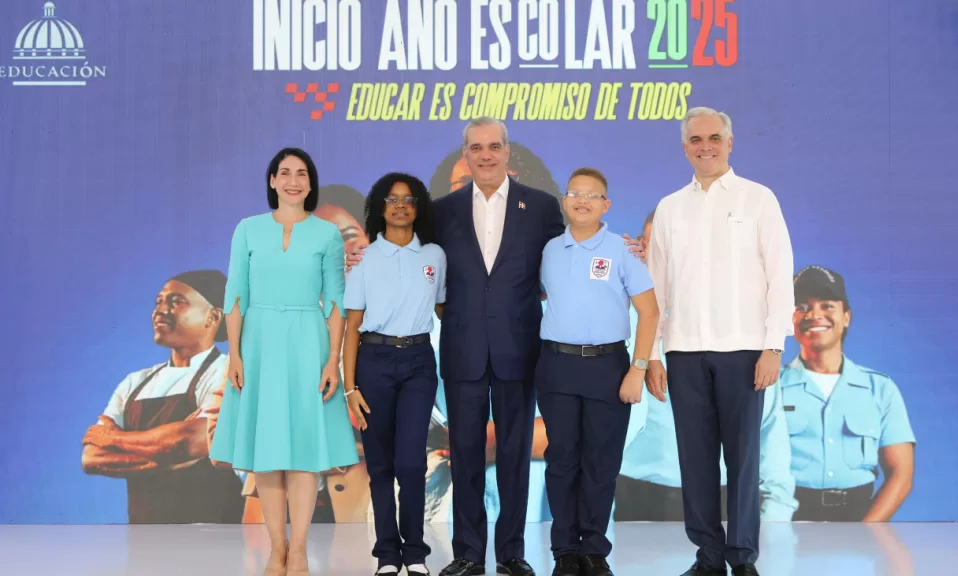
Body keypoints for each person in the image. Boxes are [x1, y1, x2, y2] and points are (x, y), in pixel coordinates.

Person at [346, 117, 644, 576]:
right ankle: (468, 553)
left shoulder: (541, 207)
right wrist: (357, 254)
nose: (485, 155)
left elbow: (570, 255)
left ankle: (511, 553)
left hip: (520, 350)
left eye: (493, 146)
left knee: (513, 456)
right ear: (466, 153)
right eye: (476, 147)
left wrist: (628, 251)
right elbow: (410, 257)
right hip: (462, 349)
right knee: (466, 454)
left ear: (507, 152)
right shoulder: (442, 211)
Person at [645, 107, 794, 576]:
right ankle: (708, 556)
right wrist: (652, 355)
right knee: (696, 460)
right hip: (683, 351)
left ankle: (742, 556)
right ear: (684, 147)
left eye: (714, 138)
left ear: (730, 143)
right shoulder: (670, 207)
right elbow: (656, 287)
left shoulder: (759, 199)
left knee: (744, 459)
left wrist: (773, 346)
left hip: (744, 351)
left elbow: (780, 275)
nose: (705, 146)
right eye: (696, 139)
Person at [209, 147, 360, 574]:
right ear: (272, 181)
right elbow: (235, 295)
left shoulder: (326, 234)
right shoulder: (248, 230)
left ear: (311, 184)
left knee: (304, 449)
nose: (293, 181)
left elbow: (335, 301)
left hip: (308, 342)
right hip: (257, 343)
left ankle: (299, 549)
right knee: (267, 450)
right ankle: (277, 548)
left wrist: (332, 360)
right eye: (285, 173)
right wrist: (235, 354)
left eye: (301, 174)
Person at [614, 211, 797, 523]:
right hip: (634, 499)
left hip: (722, 496)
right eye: (650, 246)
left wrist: (775, 517)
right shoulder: (618, 321)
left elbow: (769, 433)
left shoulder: (742, 326)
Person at [535, 168, 658, 576]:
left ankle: (593, 548)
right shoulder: (550, 249)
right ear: (565, 201)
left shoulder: (622, 250)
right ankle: (564, 549)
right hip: (557, 364)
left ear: (606, 204)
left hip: (608, 365)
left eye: (592, 195)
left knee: (601, 461)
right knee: (562, 459)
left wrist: (638, 369)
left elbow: (649, 312)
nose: (582, 201)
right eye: (575, 194)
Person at [342, 172, 446, 576]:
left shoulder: (434, 256)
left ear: (419, 207)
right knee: (381, 465)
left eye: (409, 199)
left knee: (412, 464)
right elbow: (353, 327)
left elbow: (444, 309)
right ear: (379, 208)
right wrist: (350, 387)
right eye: (392, 199)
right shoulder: (365, 258)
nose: (401, 206)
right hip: (374, 361)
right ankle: (387, 554)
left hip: (419, 361)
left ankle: (415, 552)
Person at [81, 269, 244, 524]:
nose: (160, 310)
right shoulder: (135, 382)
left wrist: (114, 438)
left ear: (213, 317)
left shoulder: (228, 371)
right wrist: (172, 451)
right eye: (158, 302)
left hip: (214, 532)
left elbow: (195, 440)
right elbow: (92, 457)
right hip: (145, 535)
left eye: (176, 302)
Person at [781, 265, 916, 521]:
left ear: (846, 317)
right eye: (802, 306)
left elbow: (901, 475)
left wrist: (865, 533)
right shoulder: (768, 388)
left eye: (827, 305)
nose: (814, 314)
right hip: (785, 521)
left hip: (858, 519)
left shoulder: (880, 389)